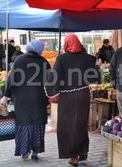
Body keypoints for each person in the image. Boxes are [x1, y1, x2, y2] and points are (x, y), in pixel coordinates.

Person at [44, 34, 99, 166]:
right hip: (82, 95)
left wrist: (51, 90)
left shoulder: (62, 58)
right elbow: (93, 77)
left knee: (67, 125)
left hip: (67, 97)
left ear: (67, 43)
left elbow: (54, 76)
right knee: (80, 124)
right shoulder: (87, 58)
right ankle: (82, 152)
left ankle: (73, 156)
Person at [0, 40, 50, 161]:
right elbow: (51, 80)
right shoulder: (44, 61)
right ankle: (36, 151)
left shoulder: (19, 60)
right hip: (39, 99)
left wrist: (5, 96)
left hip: (22, 99)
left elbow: (11, 80)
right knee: (38, 125)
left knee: (24, 124)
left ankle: (24, 151)